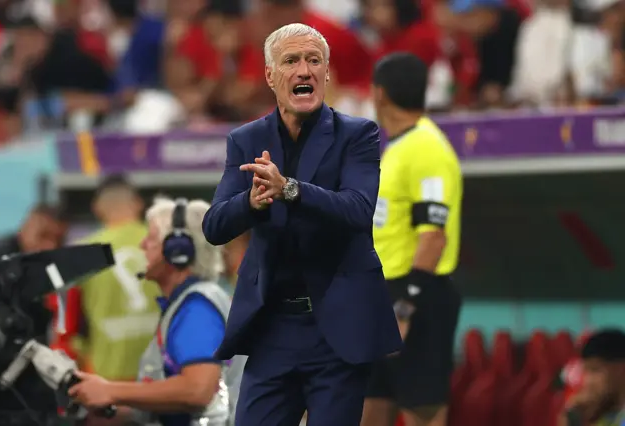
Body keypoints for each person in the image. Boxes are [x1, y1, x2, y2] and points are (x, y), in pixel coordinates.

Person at [202, 22, 401, 426]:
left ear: (327, 73)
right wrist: (252, 202)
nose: (304, 70)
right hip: (272, 328)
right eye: (291, 61)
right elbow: (214, 225)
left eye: (314, 61)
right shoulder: (245, 139)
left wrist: (290, 189)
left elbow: (358, 211)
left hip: (337, 331)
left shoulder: (357, 135)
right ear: (271, 76)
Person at [69, 197, 243, 426]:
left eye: (151, 238)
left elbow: (198, 390)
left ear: (177, 251)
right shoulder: (189, 304)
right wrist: (111, 407)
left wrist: (111, 390)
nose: (142, 245)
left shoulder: (197, 309)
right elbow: (178, 402)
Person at [362, 53, 463, 426]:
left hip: (416, 296)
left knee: (421, 412)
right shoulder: (397, 147)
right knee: (370, 406)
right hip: (382, 293)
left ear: (380, 94)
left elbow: (434, 235)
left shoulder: (426, 148)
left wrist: (406, 306)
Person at [52, 174, 161, 381]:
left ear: (97, 208)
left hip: (106, 384)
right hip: (162, 380)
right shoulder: (163, 243)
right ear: (138, 204)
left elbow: (64, 328)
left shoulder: (76, 255)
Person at [0, 203, 68, 424]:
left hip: (33, 384)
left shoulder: (54, 270)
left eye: (57, 240)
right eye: (42, 235)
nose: (48, 245)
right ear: (26, 228)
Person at [558, 329, 625, 426]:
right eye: (586, 372)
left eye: (595, 370)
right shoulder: (605, 413)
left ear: (621, 369)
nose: (588, 381)